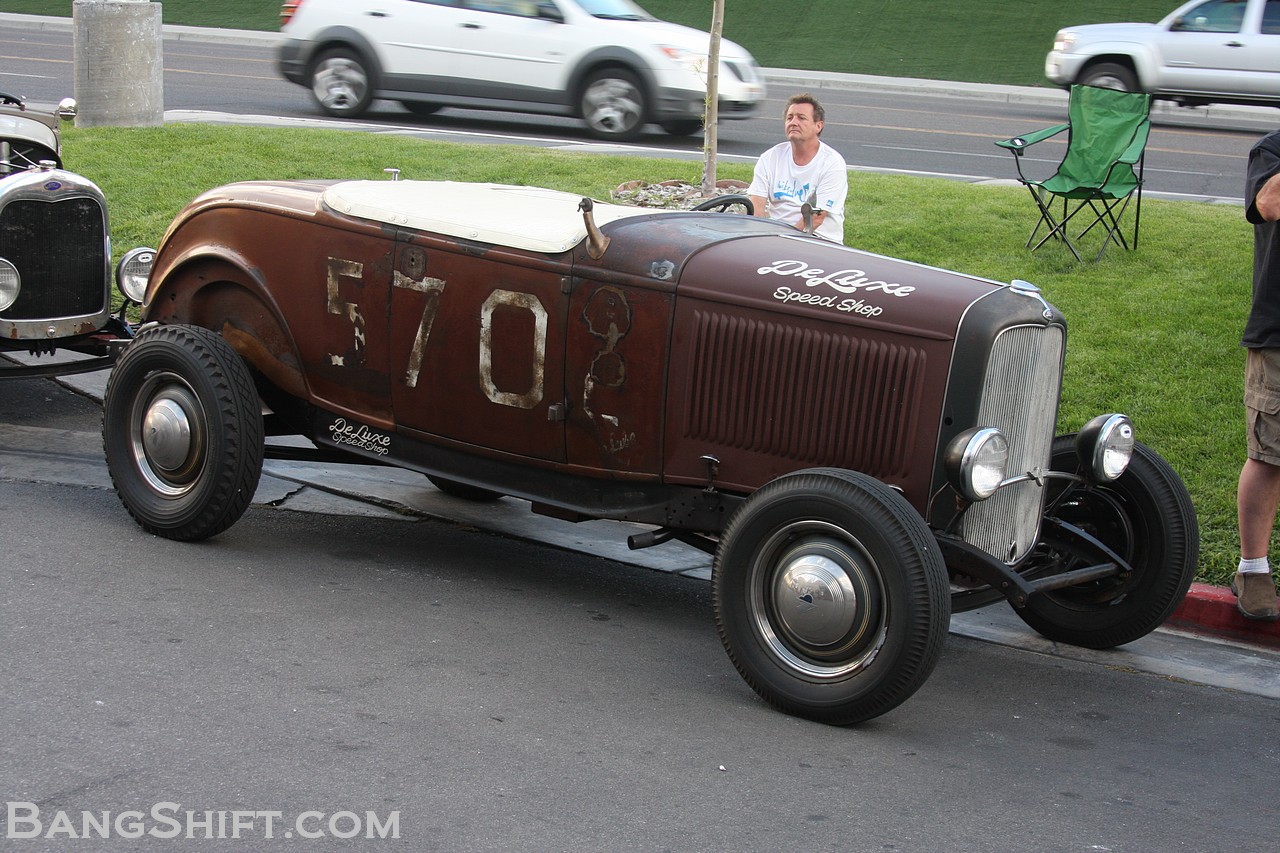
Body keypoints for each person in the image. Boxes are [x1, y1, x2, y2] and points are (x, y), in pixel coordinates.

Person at [1235, 128, 1280, 620]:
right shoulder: (1272, 151)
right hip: (1279, 331)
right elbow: (1270, 203)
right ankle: (1253, 568)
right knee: (1270, 454)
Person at [747, 93, 848, 244]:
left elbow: (816, 218)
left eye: (801, 118)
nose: (793, 122)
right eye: (789, 118)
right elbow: (757, 207)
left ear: (818, 126)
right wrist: (760, 238)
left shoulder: (832, 163)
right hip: (775, 238)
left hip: (819, 241)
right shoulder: (770, 157)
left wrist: (784, 242)